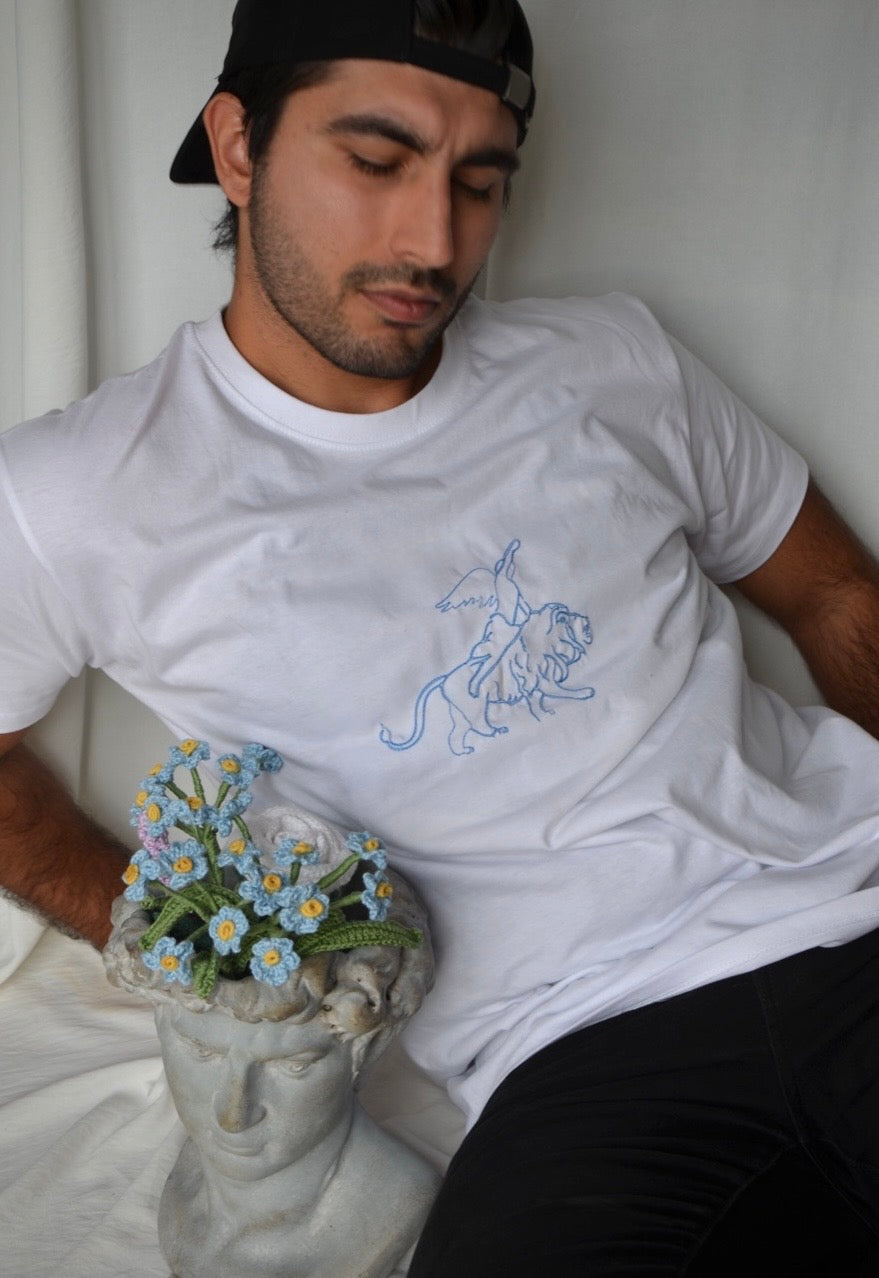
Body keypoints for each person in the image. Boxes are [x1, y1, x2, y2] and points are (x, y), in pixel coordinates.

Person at [2, 0, 879, 1272]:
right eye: (376, 161)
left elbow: (835, 593)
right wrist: (187, 939)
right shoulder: (76, 493)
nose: (434, 240)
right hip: (572, 1056)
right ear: (239, 147)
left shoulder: (613, 358)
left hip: (851, 914)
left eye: (480, 181)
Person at [104, 869, 439, 1278]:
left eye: (293, 1065)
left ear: (366, 1051)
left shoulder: (394, 1205)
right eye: (203, 1051)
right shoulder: (191, 1186)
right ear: (160, 1022)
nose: (233, 1115)